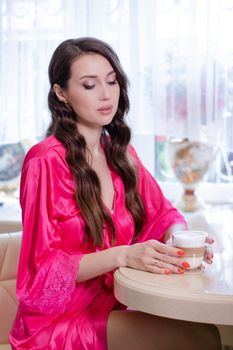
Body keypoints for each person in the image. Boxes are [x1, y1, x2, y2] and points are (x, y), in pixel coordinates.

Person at [9, 37, 221, 350]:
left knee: (203, 330)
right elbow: (41, 274)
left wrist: (179, 244)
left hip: (114, 305)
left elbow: (163, 215)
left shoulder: (120, 154)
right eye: (89, 85)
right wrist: (122, 255)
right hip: (57, 324)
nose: (107, 94)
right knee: (199, 339)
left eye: (112, 81)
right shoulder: (44, 161)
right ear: (61, 93)